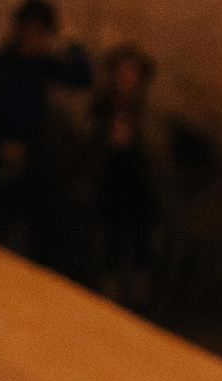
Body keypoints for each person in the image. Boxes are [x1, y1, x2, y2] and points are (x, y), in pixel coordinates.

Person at [0, 0, 92, 267]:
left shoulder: (44, 66)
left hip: (39, 163)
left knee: (59, 208)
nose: (34, 39)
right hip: (0, 163)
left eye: (41, 34)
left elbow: (83, 77)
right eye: (30, 32)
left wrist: (69, 36)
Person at [90, 45, 162, 308]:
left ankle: (139, 291)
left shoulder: (148, 113)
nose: (126, 77)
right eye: (121, 71)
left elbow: (156, 153)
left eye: (131, 72)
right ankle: (110, 286)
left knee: (142, 233)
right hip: (108, 182)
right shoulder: (100, 108)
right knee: (113, 232)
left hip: (140, 186)